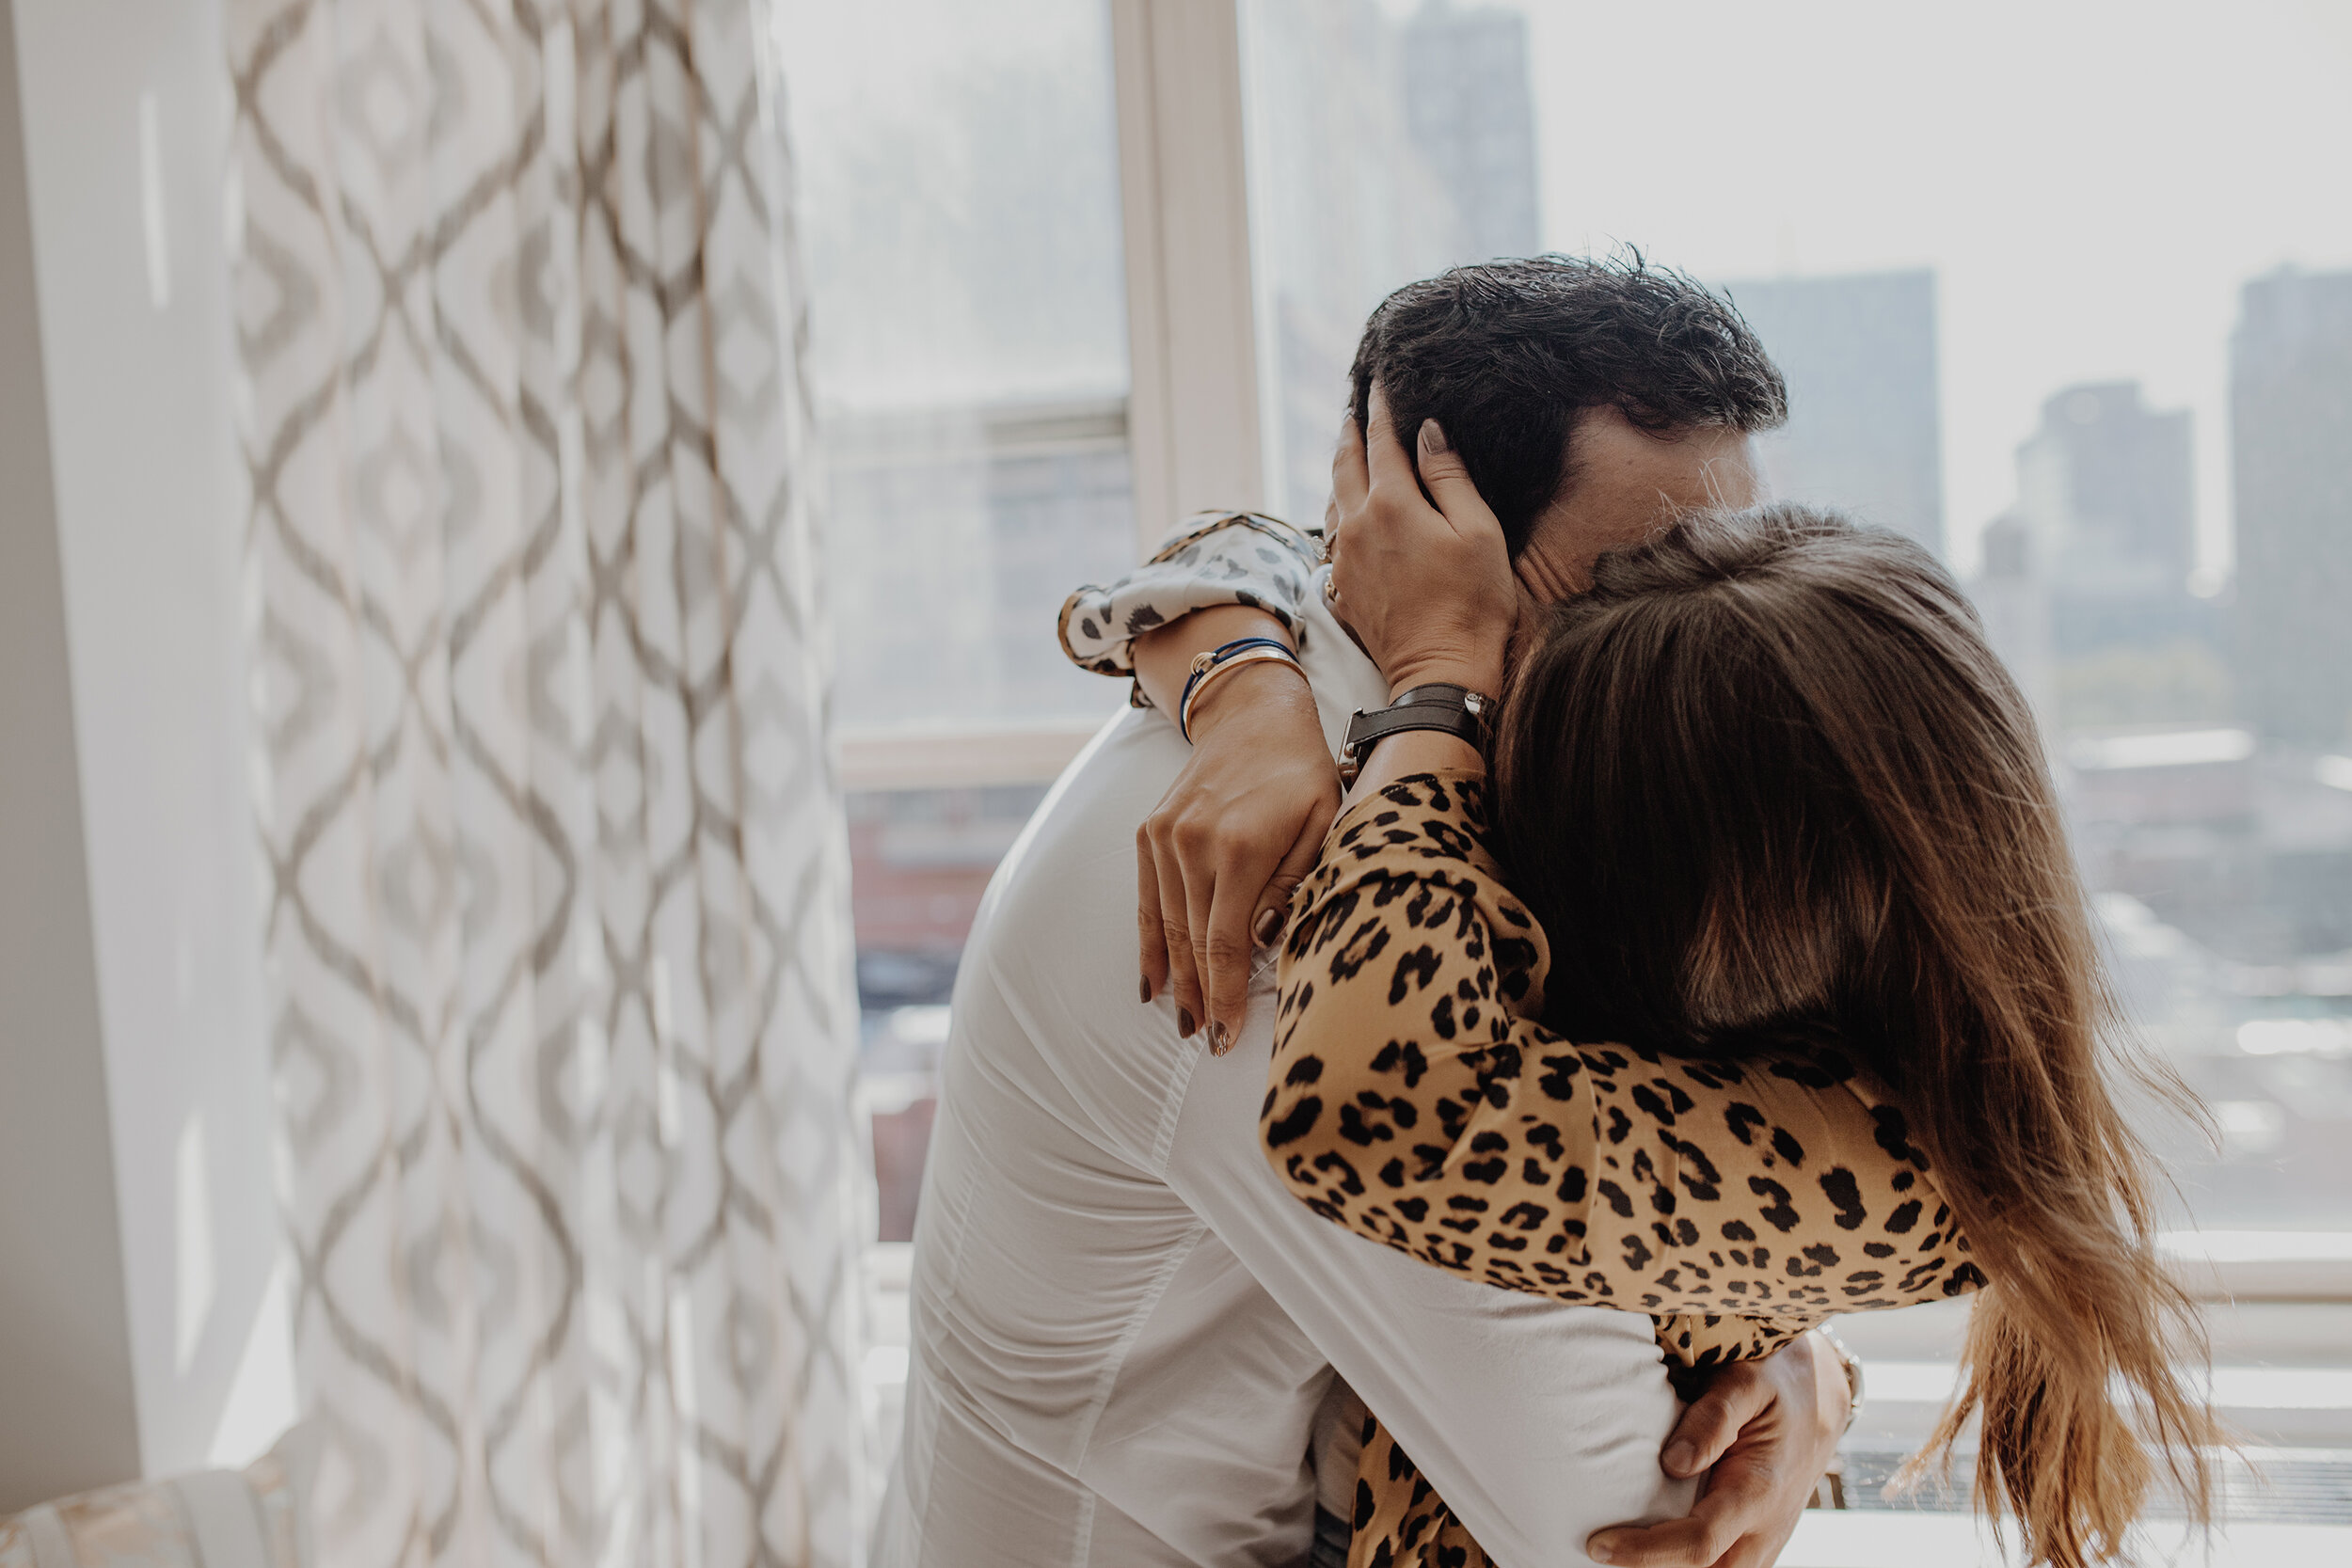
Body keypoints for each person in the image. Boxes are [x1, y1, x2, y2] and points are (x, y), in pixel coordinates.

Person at [879, 256, 1849, 1568]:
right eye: (1648, 587)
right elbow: (1631, 1529)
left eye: (1734, 568)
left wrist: (1800, 1354)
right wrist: (1786, 1381)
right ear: (1434, 550)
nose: (1716, 648)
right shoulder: (1279, 886)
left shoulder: (1364, 707)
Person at [1254, 413, 2219, 1568]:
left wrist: (1431, 690)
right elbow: (1255, 545)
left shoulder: (1902, 1171)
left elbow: (1376, 1110)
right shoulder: (1881, 1084)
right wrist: (1234, 667)